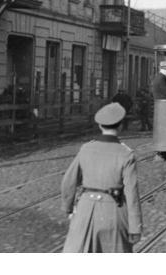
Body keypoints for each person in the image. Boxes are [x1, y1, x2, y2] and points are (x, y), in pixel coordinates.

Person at [60, 103, 142, 253]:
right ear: (121, 126)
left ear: (99, 126)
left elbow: (68, 181)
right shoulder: (126, 154)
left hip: (85, 211)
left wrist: (68, 208)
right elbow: (132, 194)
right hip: (114, 213)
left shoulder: (86, 149)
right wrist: (135, 226)